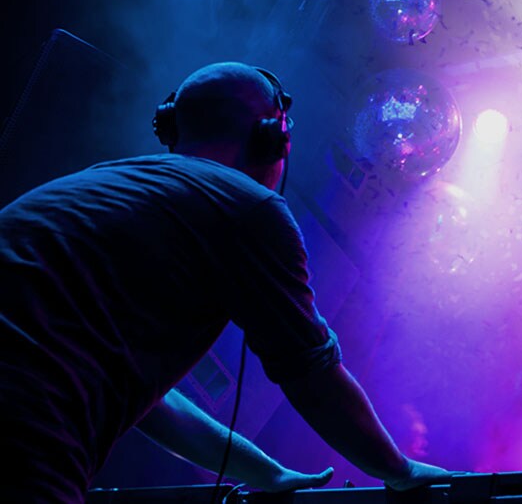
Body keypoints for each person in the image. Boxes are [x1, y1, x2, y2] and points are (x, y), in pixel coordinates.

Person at [0, 62, 454, 503]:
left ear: (171, 127)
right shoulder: (246, 206)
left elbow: (153, 404)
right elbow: (311, 375)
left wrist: (266, 473)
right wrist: (398, 471)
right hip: (25, 430)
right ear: (272, 139)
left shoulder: (100, 180)